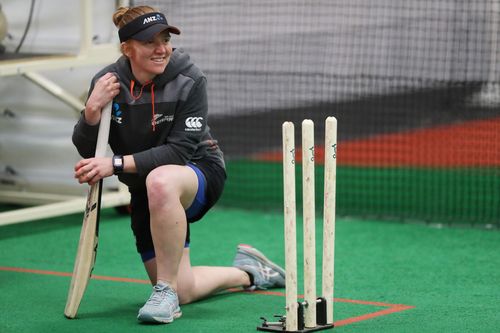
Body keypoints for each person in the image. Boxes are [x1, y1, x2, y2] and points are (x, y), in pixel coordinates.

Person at [72, 5, 285, 324]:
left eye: (165, 39)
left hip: (198, 172)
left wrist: (114, 164)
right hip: (144, 190)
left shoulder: (190, 78)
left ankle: (165, 293)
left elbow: (178, 153)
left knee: (161, 180)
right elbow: (89, 149)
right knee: (185, 288)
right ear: (127, 48)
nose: (161, 49)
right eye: (149, 42)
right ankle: (250, 272)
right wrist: (91, 111)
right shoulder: (106, 83)